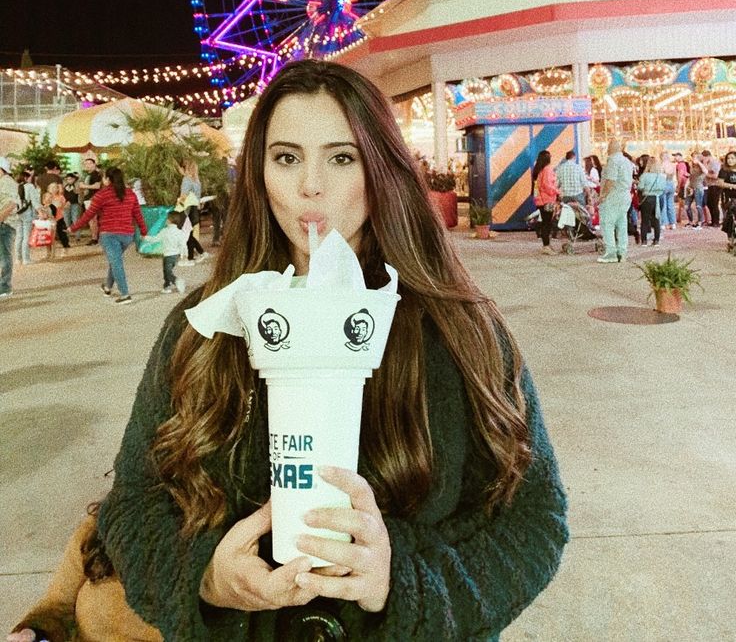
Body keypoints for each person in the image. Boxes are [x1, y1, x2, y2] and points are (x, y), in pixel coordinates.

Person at [11, 60, 568, 642]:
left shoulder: (463, 330)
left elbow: (536, 520)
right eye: (286, 157)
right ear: (259, 174)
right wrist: (204, 577)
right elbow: (135, 498)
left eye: (341, 157)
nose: (311, 185)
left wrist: (403, 586)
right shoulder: (203, 327)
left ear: (383, 169)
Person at [69, 167, 147, 305]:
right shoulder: (130, 194)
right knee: (115, 260)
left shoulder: (101, 195)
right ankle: (107, 287)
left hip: (109, 235)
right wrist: (144, 231)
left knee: (116, 262)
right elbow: (137, 214)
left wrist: (73, 228)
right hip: (127, 235)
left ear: (108, 179)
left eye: (104, 177)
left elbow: (89, 215)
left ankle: (125, 294)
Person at [597, 138, 635, 263]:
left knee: (608, 224)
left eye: (608, 147)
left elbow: (611, 180)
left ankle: (611, 253)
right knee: (622, 224)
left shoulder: (613, 161)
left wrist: (603, 195)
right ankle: (622, 251)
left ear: (611, 148)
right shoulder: (626, 161)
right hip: (625, 195)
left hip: (613, 196)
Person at [144, 210, 188, 294]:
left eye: (167, 219)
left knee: (167, 272)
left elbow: (155, 239)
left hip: (168, 256)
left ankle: (177, 281)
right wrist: (184, 254)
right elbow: (183, 244)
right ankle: (166, 286)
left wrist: (145, 238)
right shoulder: (180, 232)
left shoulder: (165, 231)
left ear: (169, 220)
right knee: (168, 271)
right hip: (176, 256)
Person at [177, 160, 209, 266]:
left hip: (187, 208)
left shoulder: (186, 180)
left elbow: (184, 196)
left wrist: (178, 204)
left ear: (185, 168)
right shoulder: (197, 181)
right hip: (195, 208)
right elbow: (198, 197)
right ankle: (192, 256)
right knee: (190, 232)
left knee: (187, 232)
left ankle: (199, 253)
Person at [532, 149, 560, 254]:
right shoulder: (547, 169)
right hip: (548, 200)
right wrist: (557, 191)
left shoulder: (539, 170)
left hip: (540, 200)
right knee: (547, 224)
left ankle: (546, 245)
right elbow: (547, 185)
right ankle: (546, 246)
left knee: (545, 222)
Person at [0, 157, 20, 300]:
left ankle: (5, 286)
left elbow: (12, 203)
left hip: (5, 224)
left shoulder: (7, 182)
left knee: (5, 255)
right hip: (3, 223)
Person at [637, 157, 667, 246]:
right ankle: (656, 240)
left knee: (645, 220)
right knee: (656, 219)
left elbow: (640, 187)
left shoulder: (644, 176)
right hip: (658, 198)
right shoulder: (662, 176)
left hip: (647, 198)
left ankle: (644, 241)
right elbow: (663, 188)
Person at [15, 170, 38, 266]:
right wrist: (40, 211)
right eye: (30, 178)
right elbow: (35, 201)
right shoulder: (30, 186)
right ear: (26, 177)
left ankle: (18, 259)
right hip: (27, 213)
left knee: (19, 236)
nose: (30, 179)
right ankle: (26, 259)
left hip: (17, 214)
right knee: (26, 236)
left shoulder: (15, 186)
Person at [78, 157, 103, 243]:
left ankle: (94, 238)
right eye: (86, 164)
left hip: (93, 199)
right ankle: (94, 237)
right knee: (91, 219)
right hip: (87, 198)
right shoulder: (87, 175)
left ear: (94, 164)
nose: (87, 165)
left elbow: (97, 186)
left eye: (89, 163)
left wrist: (83, 186)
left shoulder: (96, 174)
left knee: (93, 219)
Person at [716, 150, 736, 248]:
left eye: (732, 158)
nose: (730, 160)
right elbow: (719, 183)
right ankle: (730, 239)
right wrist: (732, 186)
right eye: (728, 158)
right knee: (730, 217)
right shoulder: (724, 170)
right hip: (729, 197)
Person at [684, 156, 706, 229]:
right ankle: (691, 221)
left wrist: (699, 162)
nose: (693, 160)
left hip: (698, 188)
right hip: (690, 188)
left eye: (695, 158)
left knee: (698, 206)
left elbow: (706, 171)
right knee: (686, 206)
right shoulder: (692, 168)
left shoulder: (702, 168)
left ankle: (700, 222)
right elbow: (691, 178)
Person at [62, 173, 82, 240]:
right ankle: (67, 234)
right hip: (65, 204)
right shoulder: (65, 186)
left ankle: (77, 235)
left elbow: (76, 195)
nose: (69, 180)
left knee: (75, 219)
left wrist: (69, 202)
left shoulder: (76, 185)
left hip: (74, 204)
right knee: (66, 219)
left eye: (70, 179)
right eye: (67, 179)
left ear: (74, 179)